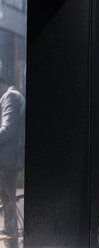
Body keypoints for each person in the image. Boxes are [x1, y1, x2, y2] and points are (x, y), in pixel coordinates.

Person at [0, 75, 25, 248]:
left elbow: (7, 129)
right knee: (7, 203)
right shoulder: (12, 96)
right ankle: (10, 239)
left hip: (8, 160)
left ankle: (11, 241)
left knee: (7, 202)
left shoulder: (10, 96)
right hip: (9, 159)